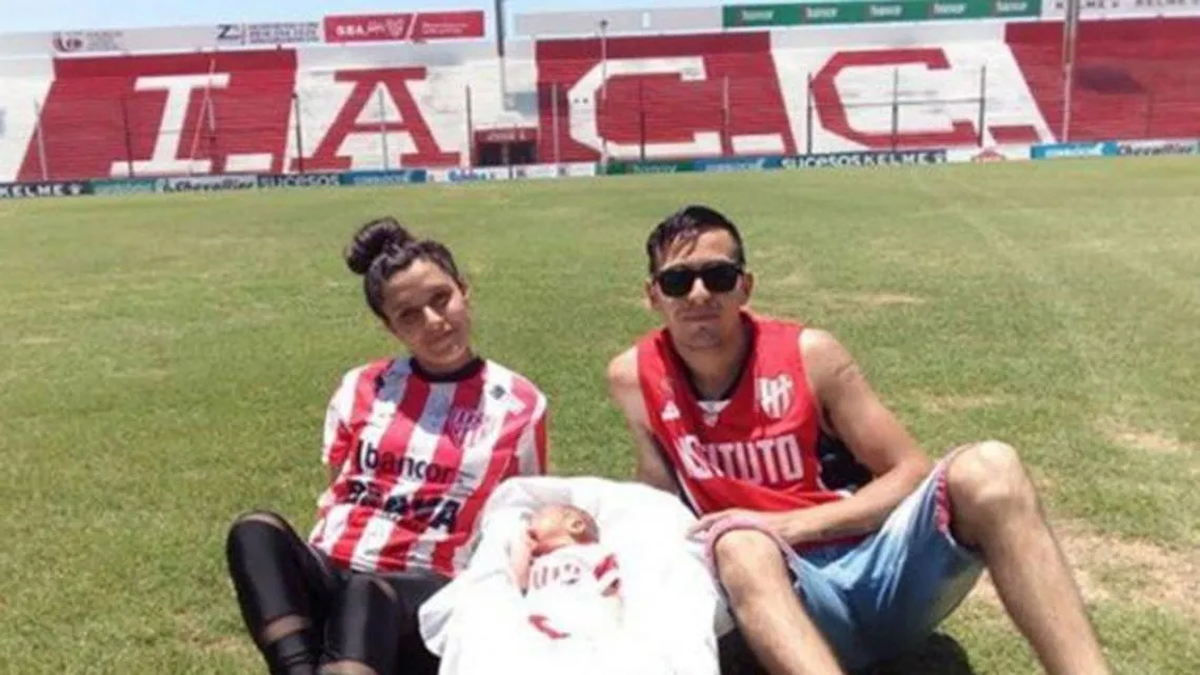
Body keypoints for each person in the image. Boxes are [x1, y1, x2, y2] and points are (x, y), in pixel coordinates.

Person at [605, 205, 1111, 675]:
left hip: (881, 571)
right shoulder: (634, 378)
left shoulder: (809, 356)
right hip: (780, 597)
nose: (698, 295)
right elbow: (657, 495)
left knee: (992, 468)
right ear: (653, 294)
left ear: (745, 287)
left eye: (718, 276)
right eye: (677, 281)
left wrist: (791, 524)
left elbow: (910, 470)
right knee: (739, 543)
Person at [225, 217, 550, 675]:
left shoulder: (518, 403)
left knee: (368, 591)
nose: (434, 321)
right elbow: (339, 486)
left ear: (464, 290)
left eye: (441, 299)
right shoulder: (362, 385)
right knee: (255, 531)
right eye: (409, 315)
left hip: (426, 591)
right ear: (390, 327)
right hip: (335, 569)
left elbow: (518, 511)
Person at [510, 504, 623, 642]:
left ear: (575, 525)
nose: (529, 524)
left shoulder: (587, 552)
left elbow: (611, 583)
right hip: (540, 626)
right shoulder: (534, 563)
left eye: (540, 516)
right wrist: (522, 544)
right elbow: (518, 582)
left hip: (582, 618)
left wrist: (609, 615)